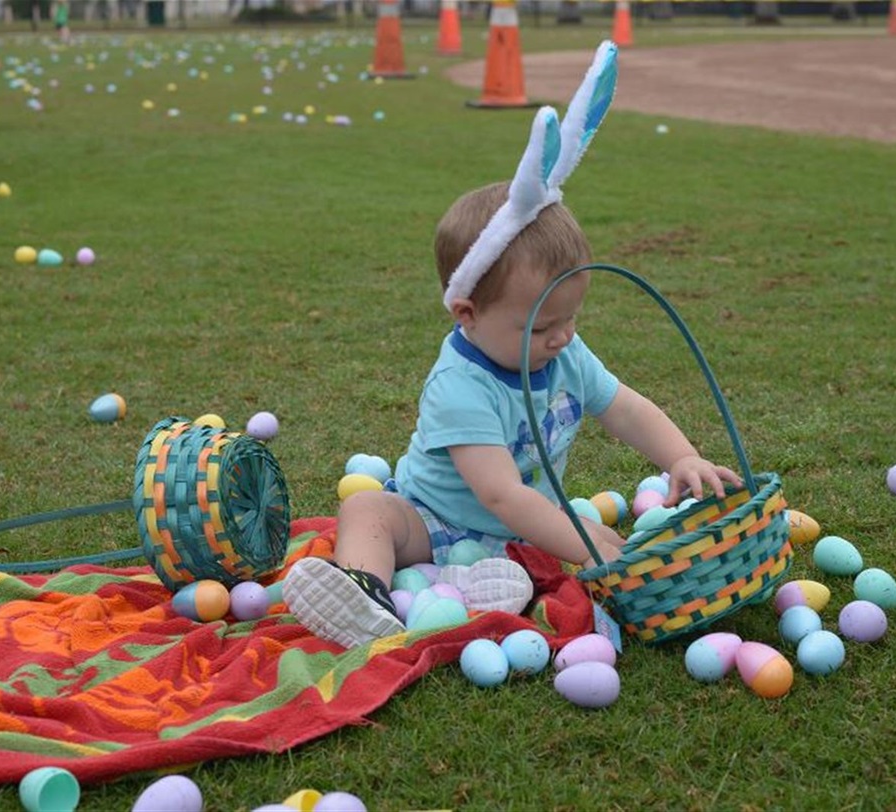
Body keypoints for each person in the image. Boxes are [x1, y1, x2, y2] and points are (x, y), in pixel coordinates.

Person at [283, 41, 742, 649]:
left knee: (551, 531)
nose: (563, 336)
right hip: (435, 521)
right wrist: (579, 540)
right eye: (543, 326)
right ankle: (364, 592)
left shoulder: (564, 353)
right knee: (367, 509)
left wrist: (679, 458)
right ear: (467, 313)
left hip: (522, 529)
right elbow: (497, 492)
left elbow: (624, 406)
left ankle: (484, 580)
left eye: (572, 316)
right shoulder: (460, 385)